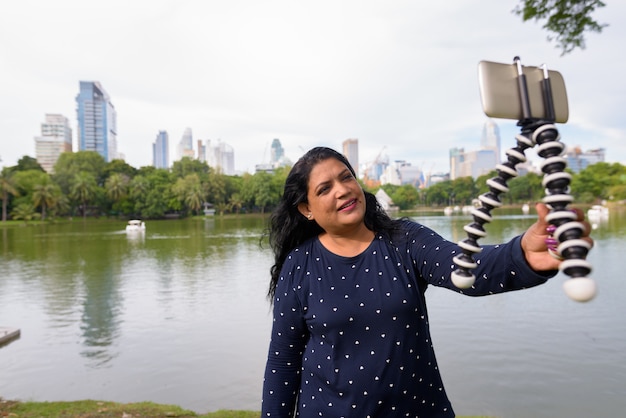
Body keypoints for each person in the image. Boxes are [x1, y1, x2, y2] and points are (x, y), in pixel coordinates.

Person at [261, 146, 592, 418]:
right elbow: (283, 361)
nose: (343, 189)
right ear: (306, 208)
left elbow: (465, 268)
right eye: (325, 188)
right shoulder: (299, 265)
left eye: (346, 177)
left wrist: (524, 254)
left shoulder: (403, 240)